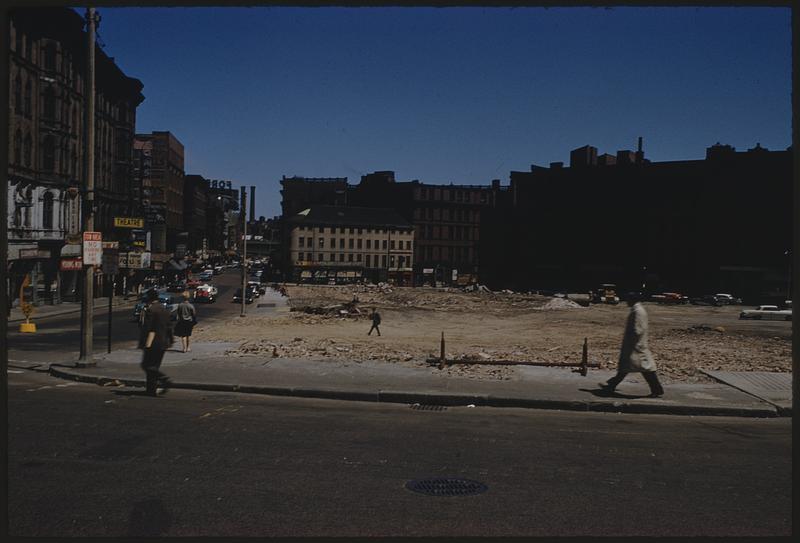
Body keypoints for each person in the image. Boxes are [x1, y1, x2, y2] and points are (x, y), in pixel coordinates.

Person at [599, 292, 664, 398]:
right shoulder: (637, 309)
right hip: (636, 345)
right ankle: (611, 385)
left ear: (632, 299)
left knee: (641, 369)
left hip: (635, 346)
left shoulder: (637, 311)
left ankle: (657, 389)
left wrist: (631, 341)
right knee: (630, 367)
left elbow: (637, 330)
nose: (626, 302)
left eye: (628, 299)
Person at [140, 289, 172, 396]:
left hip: (152, 342)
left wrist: (144, 343)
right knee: (155, 365)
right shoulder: (164, 309)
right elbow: (169, 326)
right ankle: (151, 390)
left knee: (147, 365)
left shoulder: (151, 310)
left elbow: (148, 328)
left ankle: (163, 379)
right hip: (163, 342)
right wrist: (170, 340)